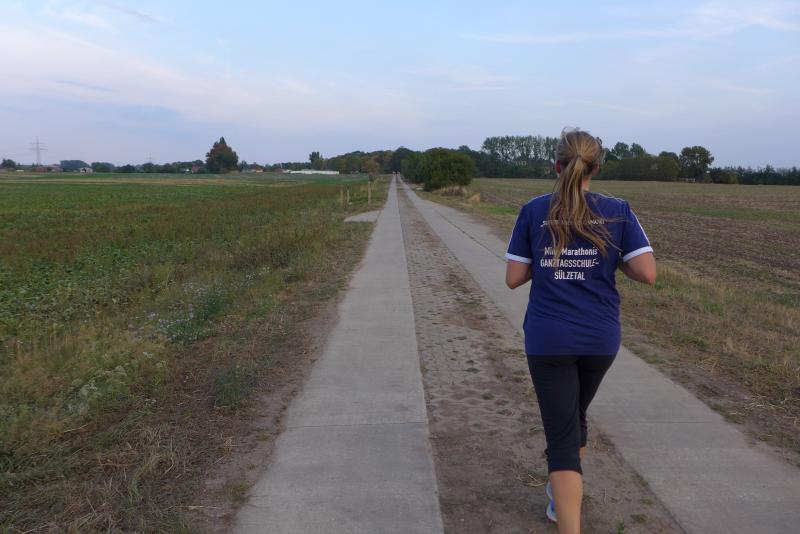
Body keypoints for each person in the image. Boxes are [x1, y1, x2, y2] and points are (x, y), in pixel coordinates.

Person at [505, 128, 656, 534]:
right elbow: (647, 273)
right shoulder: (618, 211)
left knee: (561, 439)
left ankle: (565, 515)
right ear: (597, 168)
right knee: (574, 416)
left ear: (556, 165)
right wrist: (609, 259)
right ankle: (560, 503)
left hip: (548, 339)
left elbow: (513, 278)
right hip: (600, 338)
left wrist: (549, 259)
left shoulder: (534, 210)